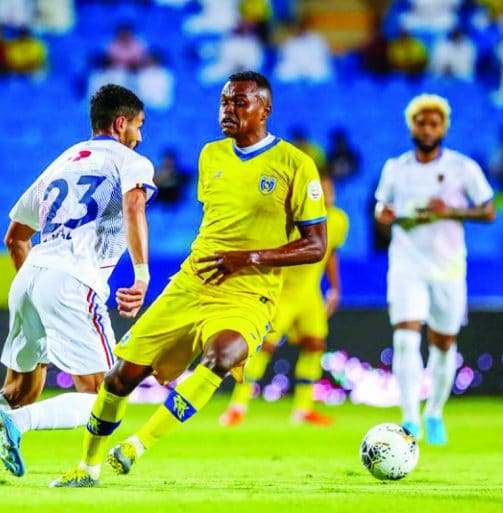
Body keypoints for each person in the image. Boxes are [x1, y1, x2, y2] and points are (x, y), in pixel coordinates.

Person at [50, 71, 327, 488]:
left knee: (223, 354)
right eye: (224, 102)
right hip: (193, 282)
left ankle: (136, 446)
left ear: (265, 109)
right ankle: (85, 467)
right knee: (119, 377)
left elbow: (315, 244)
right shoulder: (210, 155)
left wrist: (250, 257)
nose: (228, 111)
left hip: (249, 292)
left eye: (239, 103)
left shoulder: (296, 164)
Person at [0, 84, 156, 480]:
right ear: (120, 122)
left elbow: (16, 236)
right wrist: (142, 275)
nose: (140, 136)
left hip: (30, 277)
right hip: (73, 280)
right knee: (105, 397)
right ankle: (17, 426)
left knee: (18, 393)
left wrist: (36, 293)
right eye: (139, 126)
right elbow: (134, 204)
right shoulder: (131, 162)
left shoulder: (62, 162)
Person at [374, 94, 495, 445]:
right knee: (405, 338)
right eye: (421, 123)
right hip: (406, 264)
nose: (427, 129)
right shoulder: (396, 168)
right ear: (411, 126)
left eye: (434, 123)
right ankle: (410, 419)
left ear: (444, 127)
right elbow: (382, 211)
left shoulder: (462, 168)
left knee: (443, 344)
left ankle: (435, 412)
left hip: (447, 268)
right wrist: (385, 217)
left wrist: (450, 210)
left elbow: (488, 211)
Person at [220, 174, 348, 426]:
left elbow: (330, 254)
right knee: (265, 347)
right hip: (282, 292)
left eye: (329, 190)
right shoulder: (293, 219)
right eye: (321, 190)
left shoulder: (339, 220)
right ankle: (237, 405)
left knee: (315, 344)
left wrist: (334, 288)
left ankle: (302, 408)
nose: (327, 195)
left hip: (310, 294)